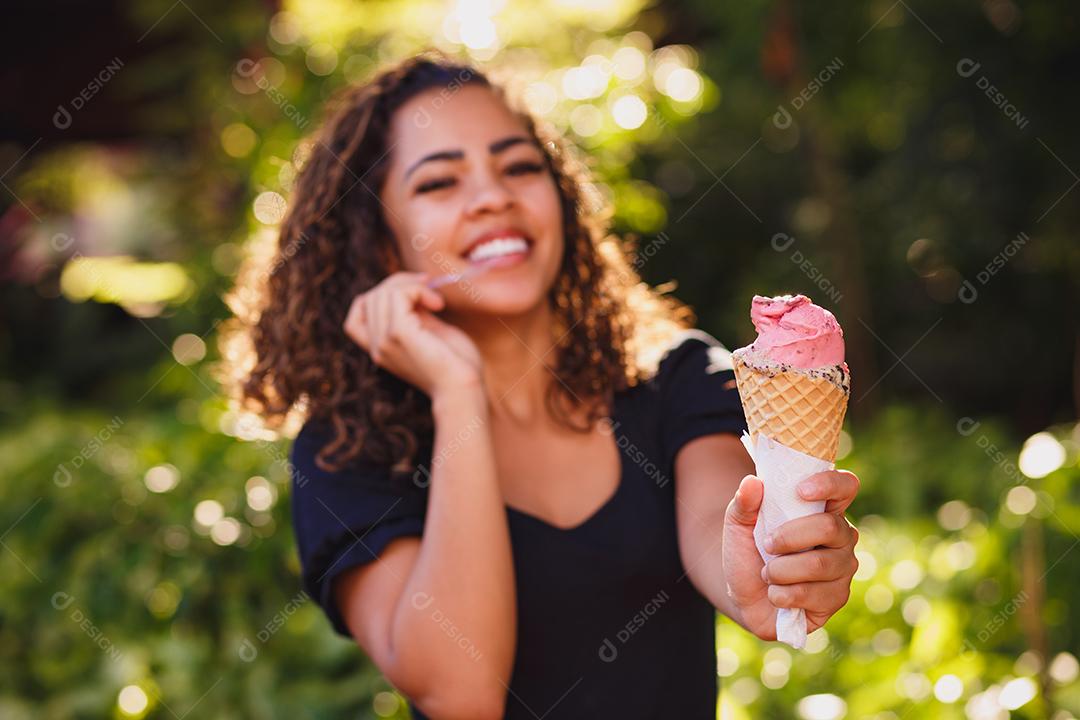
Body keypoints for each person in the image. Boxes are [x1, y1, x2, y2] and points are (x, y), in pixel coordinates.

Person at [223, 49, 860, 720]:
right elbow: (460, 694)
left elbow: (723, 538)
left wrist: (776, 567)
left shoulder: (676, 378)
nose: (494, 196)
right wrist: (458, 393)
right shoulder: (348, 452)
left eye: (520, 167)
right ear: (380, 244)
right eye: (440, 183)